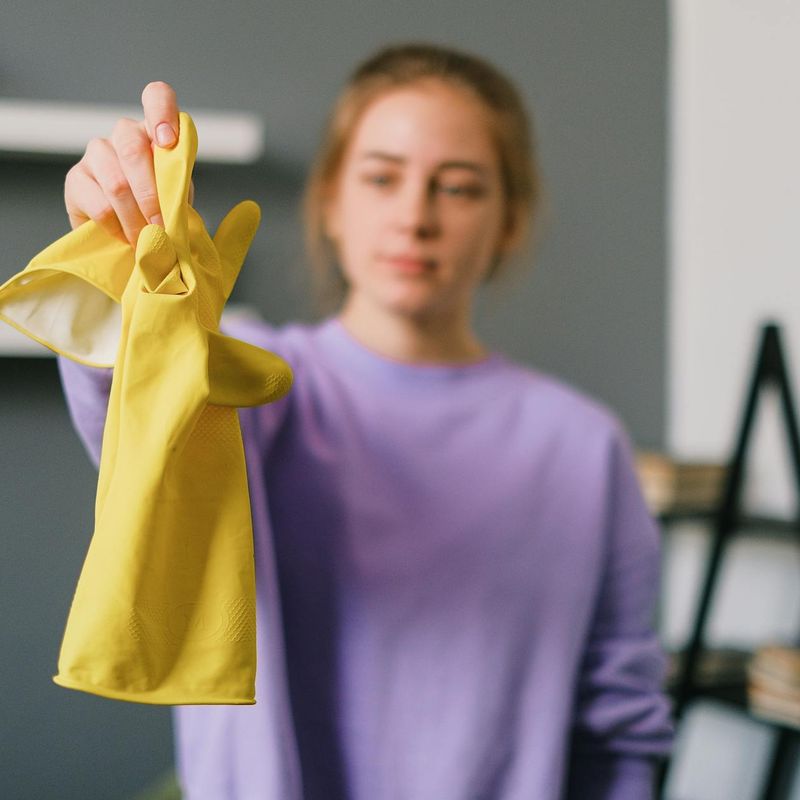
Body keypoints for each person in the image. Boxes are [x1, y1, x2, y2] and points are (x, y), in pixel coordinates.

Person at [58, 43, 673, 800]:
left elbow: (618, 728)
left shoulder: (584, 449)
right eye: (382, 177)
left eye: (460, 187)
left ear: (509, 220)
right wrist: (122, 268)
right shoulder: (254, 387)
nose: (415, 217)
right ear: (331, 203)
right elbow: (143, 415)